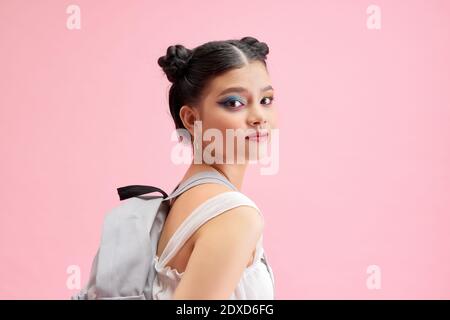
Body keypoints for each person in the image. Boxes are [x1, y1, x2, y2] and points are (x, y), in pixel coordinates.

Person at [153, 36, 278, 299]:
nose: (259, 117)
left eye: (266, 100)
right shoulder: (234, 215)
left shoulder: (181, 198)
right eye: (234, 103)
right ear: (190, 118)